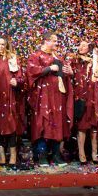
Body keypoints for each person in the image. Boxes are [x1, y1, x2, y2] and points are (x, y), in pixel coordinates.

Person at [27, 32, 73, 166]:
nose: (56, 43)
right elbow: (31, 71)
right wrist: (48, 68)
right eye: (54, 41)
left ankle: (56, 156)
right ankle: (42, 156)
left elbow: (65, 75)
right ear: (46, 41)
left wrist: (70, 73)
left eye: (56, 41)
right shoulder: (35, 56)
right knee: (43, 124)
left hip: (58, 98)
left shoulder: (58, 57)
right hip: (43, 98)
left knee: (57, 124)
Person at [0, 37, 24, 167]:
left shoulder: (13, 59)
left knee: (11, 124)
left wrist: (17, 81)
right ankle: (2, 155)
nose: (1, 46)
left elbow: (21, 77)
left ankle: (13, 155)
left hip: (10, 97)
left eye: (3, 44)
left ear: (7, 45)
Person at [69, 41, 98, 164]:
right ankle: (81, 155)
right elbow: (71, 77)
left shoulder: (94, 60)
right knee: (82, 126)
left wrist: (95, 58)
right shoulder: (74, 60)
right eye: (80, 45)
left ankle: (94, 154)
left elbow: (97, 76)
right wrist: (71, 74)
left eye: (84, 45)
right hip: (80, 95)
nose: (81, 47)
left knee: (94, 126)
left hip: (93, 95)